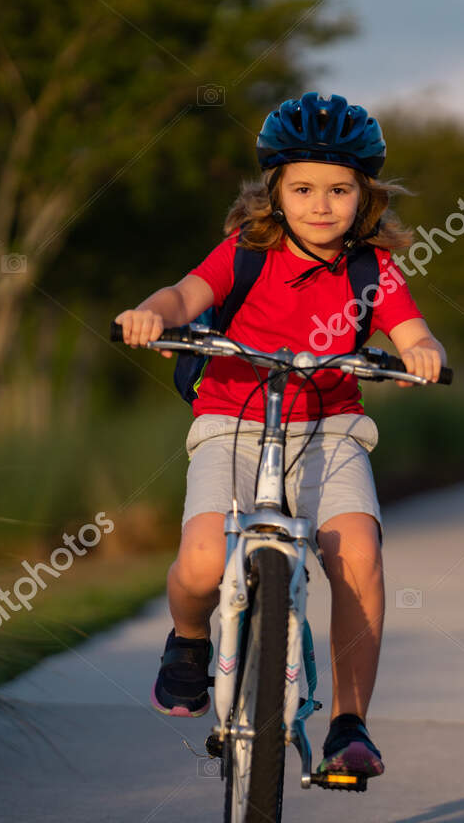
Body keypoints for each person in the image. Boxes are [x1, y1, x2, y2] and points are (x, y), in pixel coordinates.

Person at [113, 92, 446, 779]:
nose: (320, 204)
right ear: (275, 192)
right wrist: (151, 313)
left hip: (331, 429)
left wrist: (423, 351)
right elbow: (183, 296)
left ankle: (348, 724)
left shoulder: (371, 270)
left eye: (338, 189)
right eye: (303, 187)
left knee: (358, 556)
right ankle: (188, 638)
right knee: (204, 560)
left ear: (365, 196)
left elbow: (412, 330)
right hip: (232, 420)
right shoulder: (245, 252)